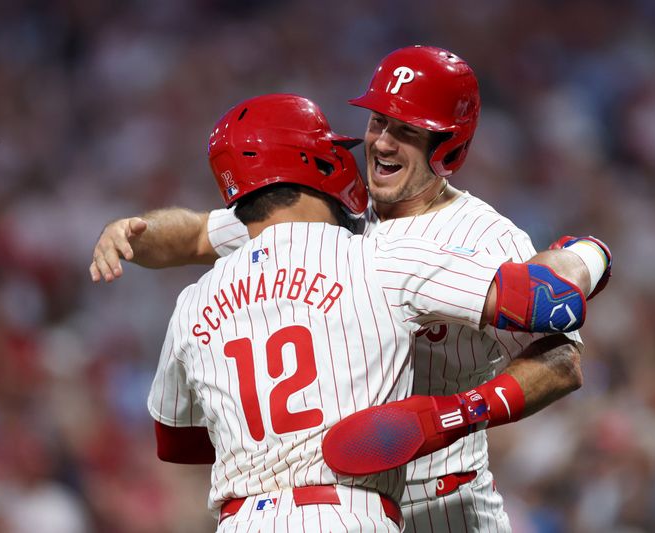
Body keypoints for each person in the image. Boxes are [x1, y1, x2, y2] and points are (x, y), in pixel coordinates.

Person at [93, 47, 609, 532]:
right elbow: (196, 234)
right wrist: (133, 232)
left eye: (406, 130)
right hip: (346, 504)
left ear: (448, 146)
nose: (382, 142)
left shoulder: (484, 237)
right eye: (378, 120)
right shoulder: (327, 208)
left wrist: (459, 412)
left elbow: (562, 360)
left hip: (445, 502)